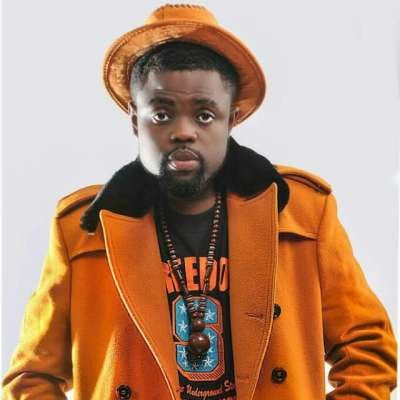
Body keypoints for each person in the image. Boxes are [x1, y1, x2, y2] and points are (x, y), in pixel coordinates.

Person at [2, 4, 397, 400]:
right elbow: (31, 377)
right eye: (162, 114)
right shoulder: (82, 229)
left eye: (205, 115)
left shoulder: (302, 211)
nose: (183, 132)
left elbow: (367, 347)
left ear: (232, 119)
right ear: (135, 119)